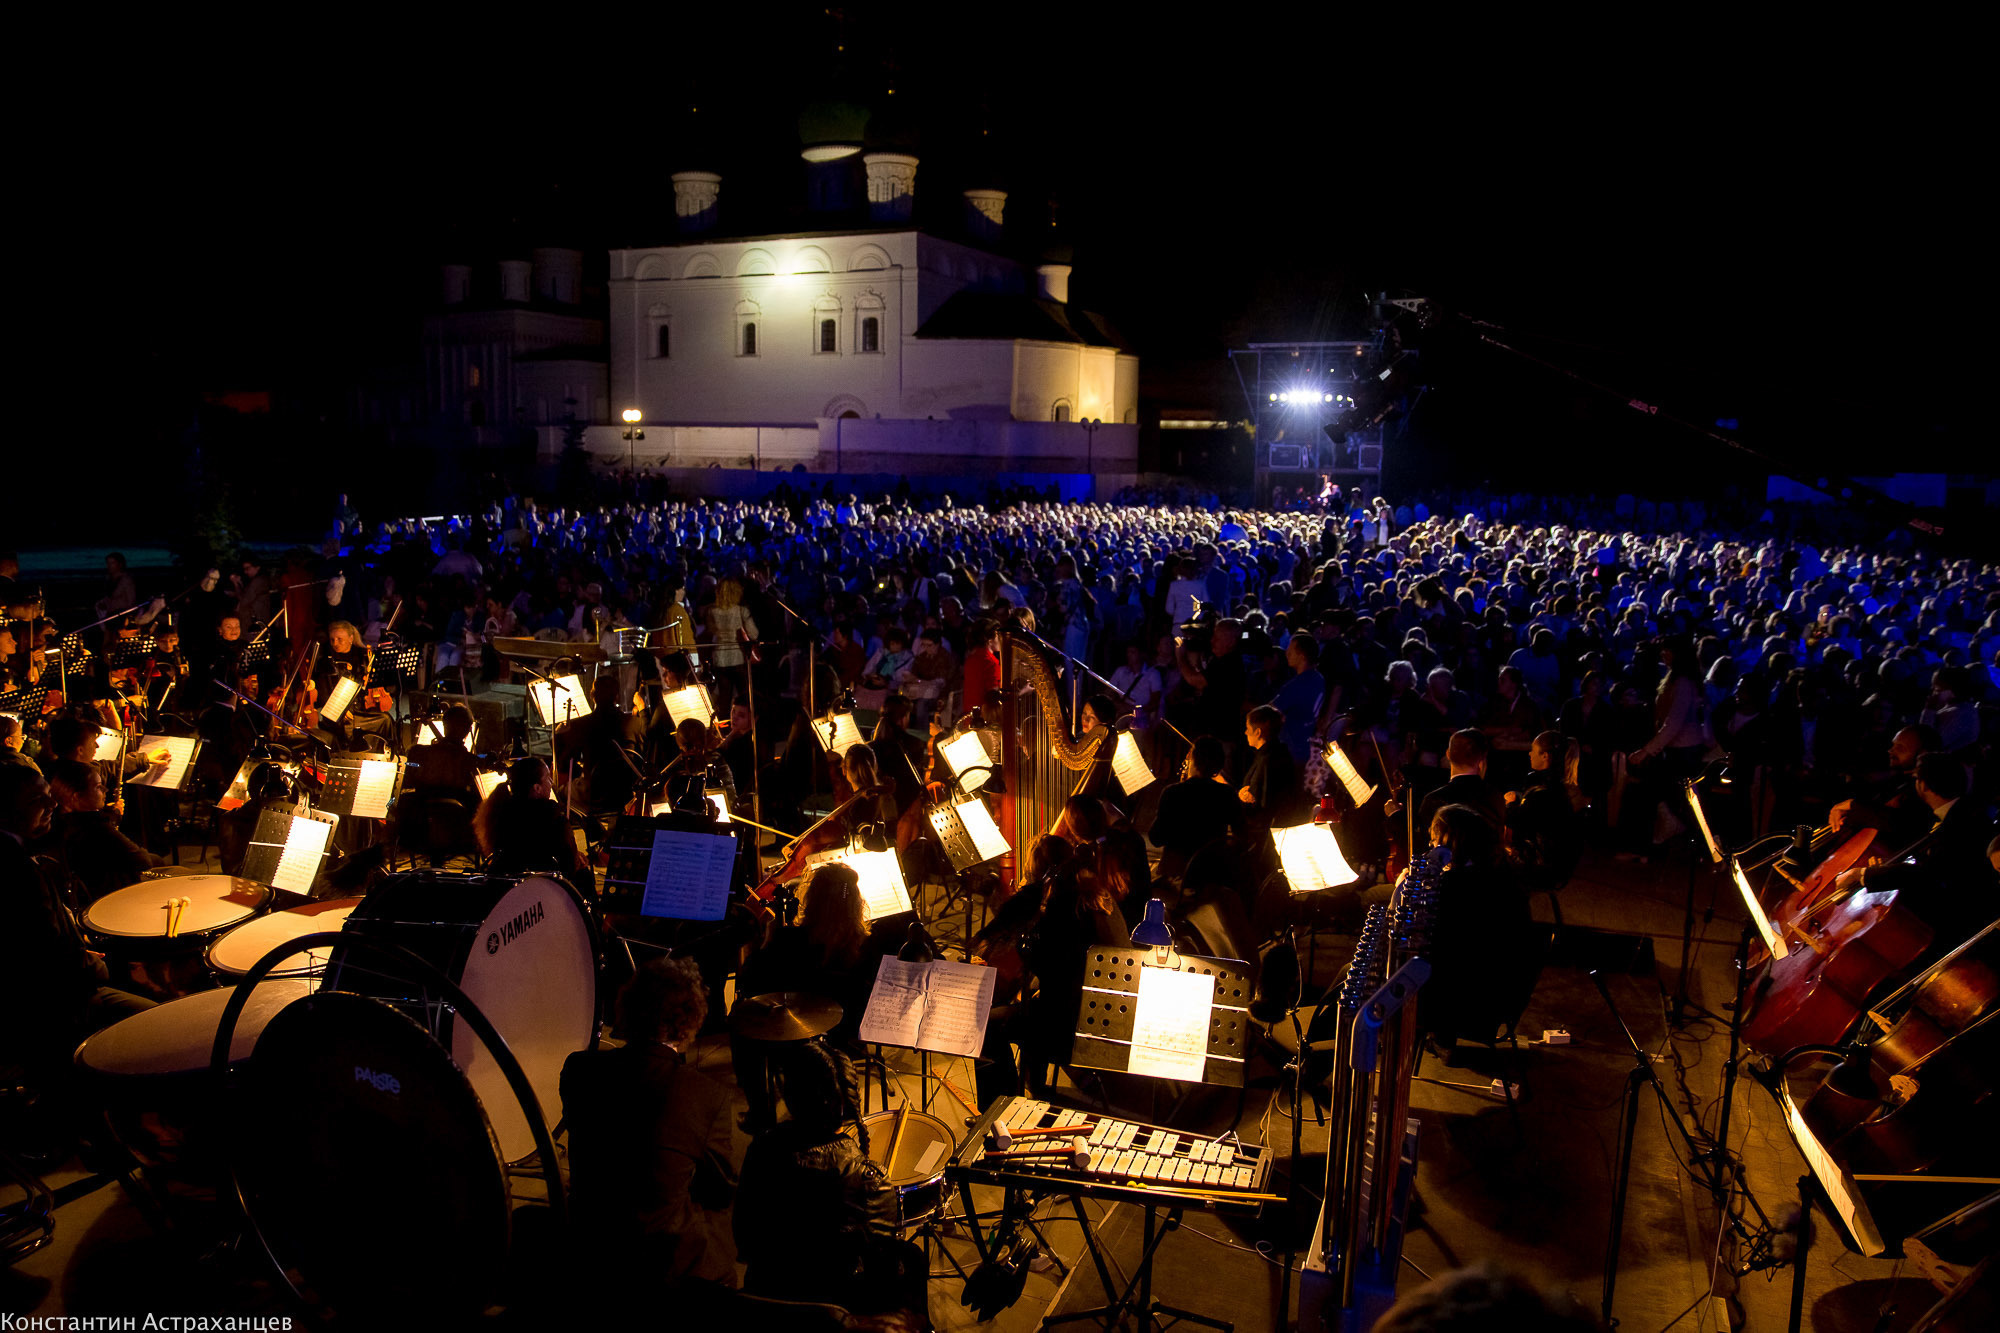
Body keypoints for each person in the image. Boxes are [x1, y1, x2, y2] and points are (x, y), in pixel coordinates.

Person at [559, 957, 737, 1305]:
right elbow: (720, 1189)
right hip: (659, 1262)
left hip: (590, 1242)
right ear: (690, 1021)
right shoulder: (706, 1094)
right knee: (720, 1229)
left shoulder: (579, 1070)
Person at [0, 765, 155, 1138]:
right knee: (160, 1021)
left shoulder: (18, 850)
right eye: (37, 799)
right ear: (6, 809)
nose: (51, 803)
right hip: (51, 1009)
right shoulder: (16, 869)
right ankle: (121, 1129)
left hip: (38, 997)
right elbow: (51, 958)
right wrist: (94, 966)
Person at [734, 1043, 926, 1320]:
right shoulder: (870, 1180)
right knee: (913, 1260)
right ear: (850, 1101)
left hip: (766, 1302)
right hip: (837, 1313)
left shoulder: (760, 1149)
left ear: (789, 1097)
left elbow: (745, 1242)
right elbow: (881, 1277)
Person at [42, 758, 163, 903]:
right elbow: (143, 860)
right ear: (77, 796)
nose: (105, 790)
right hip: (109, 897)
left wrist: (111, 815)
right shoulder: (94, 825)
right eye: (98, 787)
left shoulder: (57, 822)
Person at [1148, 735, 1245, 880]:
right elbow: (1241, 835)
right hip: (1213, 874)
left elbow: (1156, 838)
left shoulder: (1173, 792)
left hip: (1176, 874)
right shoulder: (1227, 794)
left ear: (1192, 759)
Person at [1418, 730, 1505, 846]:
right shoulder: (1495, 797)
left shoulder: (1433, 800)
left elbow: (1422, 846)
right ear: (1483, 759)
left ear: (1448, 754)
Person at [1239, 703, 1308, 829]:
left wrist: (1243, 798)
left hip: (1263, 831)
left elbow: (1264, 805)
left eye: (1248, 728)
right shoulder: (1278, 751)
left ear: (1258, 732)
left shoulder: (1267, 759)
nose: (1245, 732)